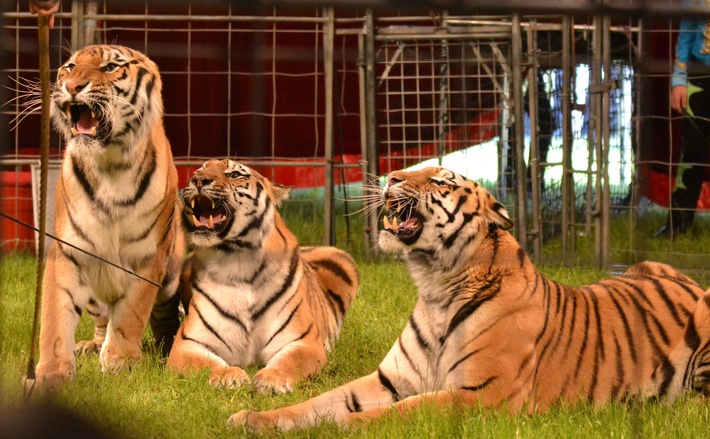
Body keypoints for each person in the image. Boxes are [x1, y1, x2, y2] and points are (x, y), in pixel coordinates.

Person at [656, 1, 710, 238]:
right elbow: (686, 36)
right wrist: (679, 81)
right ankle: (677, 224)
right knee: (692, 155)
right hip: (699, 77)